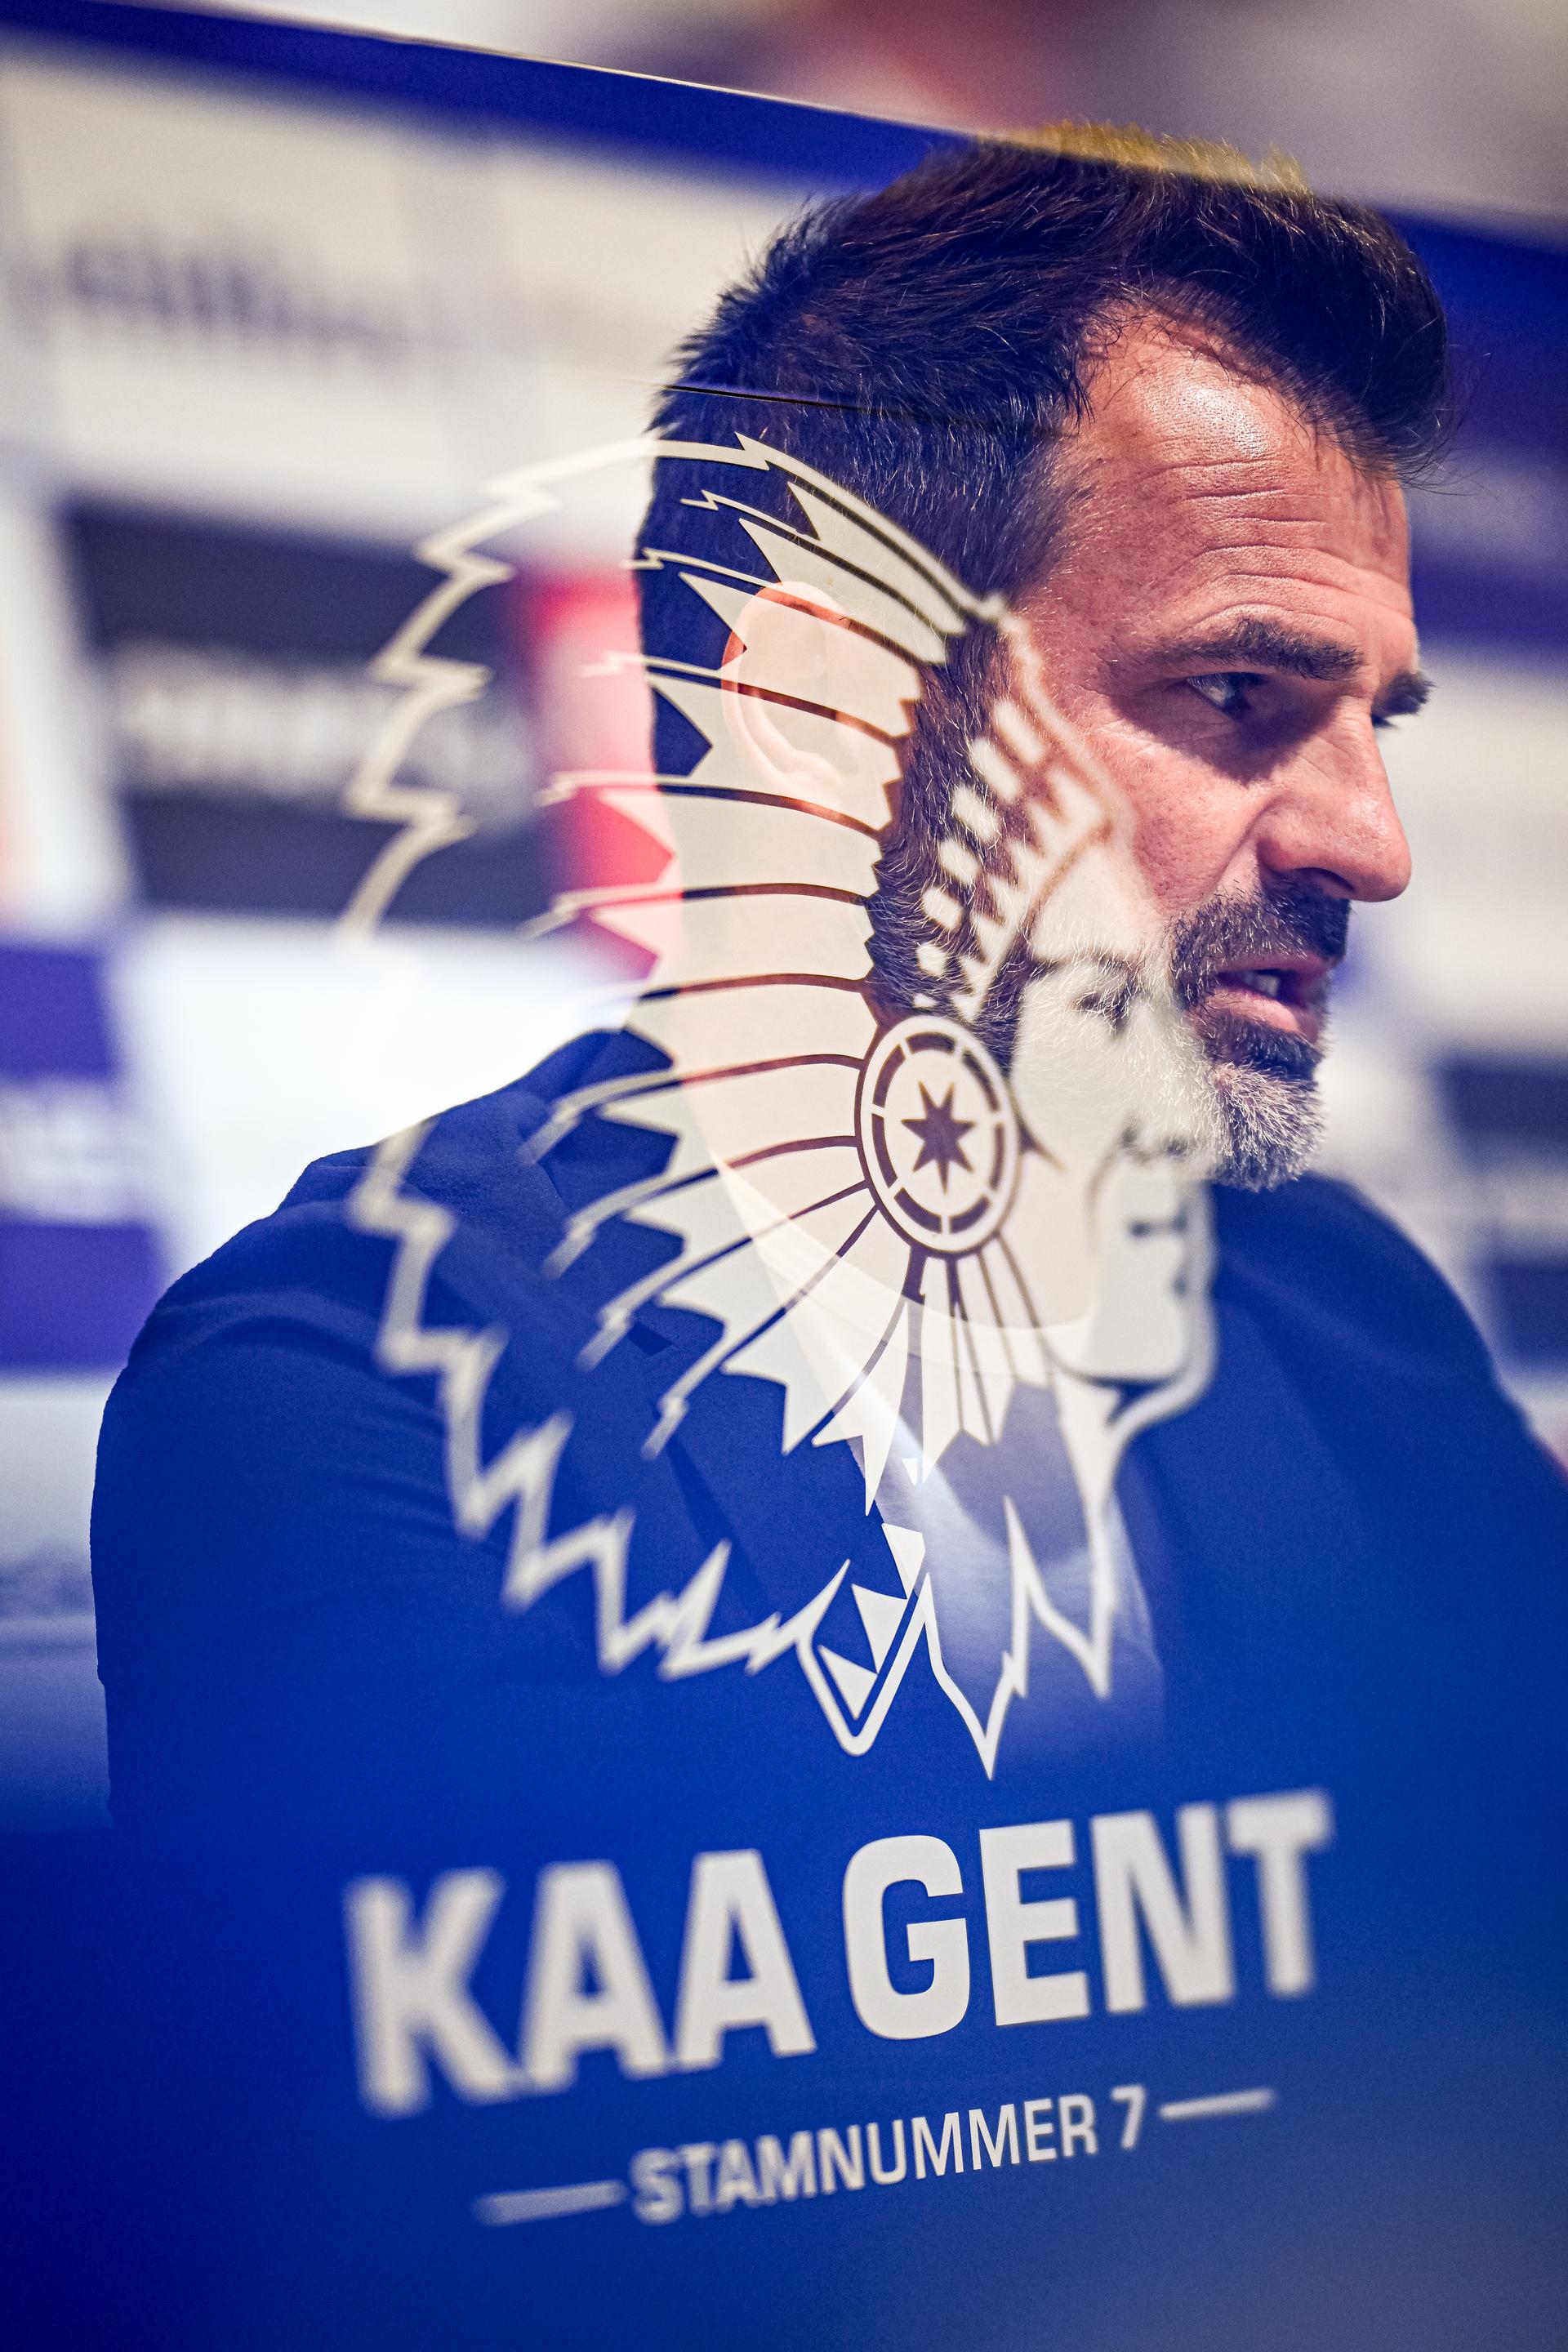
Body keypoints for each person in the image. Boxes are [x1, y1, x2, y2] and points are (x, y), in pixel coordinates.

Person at [87, 124, 1568, 2351]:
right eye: (1239, 699)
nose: (1371, 841)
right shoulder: (359, 1392)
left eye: (1380, 723)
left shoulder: (1349, 1316)